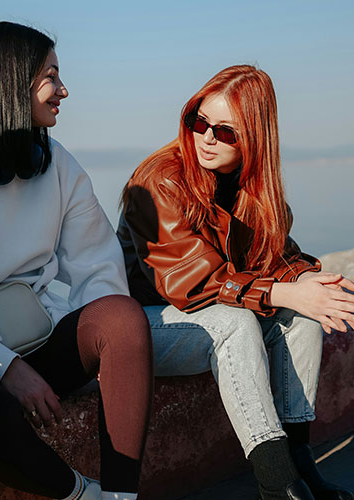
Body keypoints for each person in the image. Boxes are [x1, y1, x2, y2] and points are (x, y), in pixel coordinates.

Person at [0, 21, 153, 500]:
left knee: (123, 319)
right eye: (51, 76)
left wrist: (114, 361)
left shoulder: (58, 163)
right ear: (13, 80)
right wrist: (4, 365)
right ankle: (83, 495)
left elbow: (99, 269)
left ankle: (123, 496)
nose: (63, 90)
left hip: (39, 338)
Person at [117, 64, 354, 500]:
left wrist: (313, 285)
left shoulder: (253, 191)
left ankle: (299, 465)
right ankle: (277, 484)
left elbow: (279, 258)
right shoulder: (160, 180)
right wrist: (284, 290)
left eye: (225, 132)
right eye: (199, 121)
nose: (206, 138)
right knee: (236, 323)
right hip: (145, 326)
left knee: (300, 317)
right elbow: (192, 284)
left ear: (254, 139)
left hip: (201, 317)